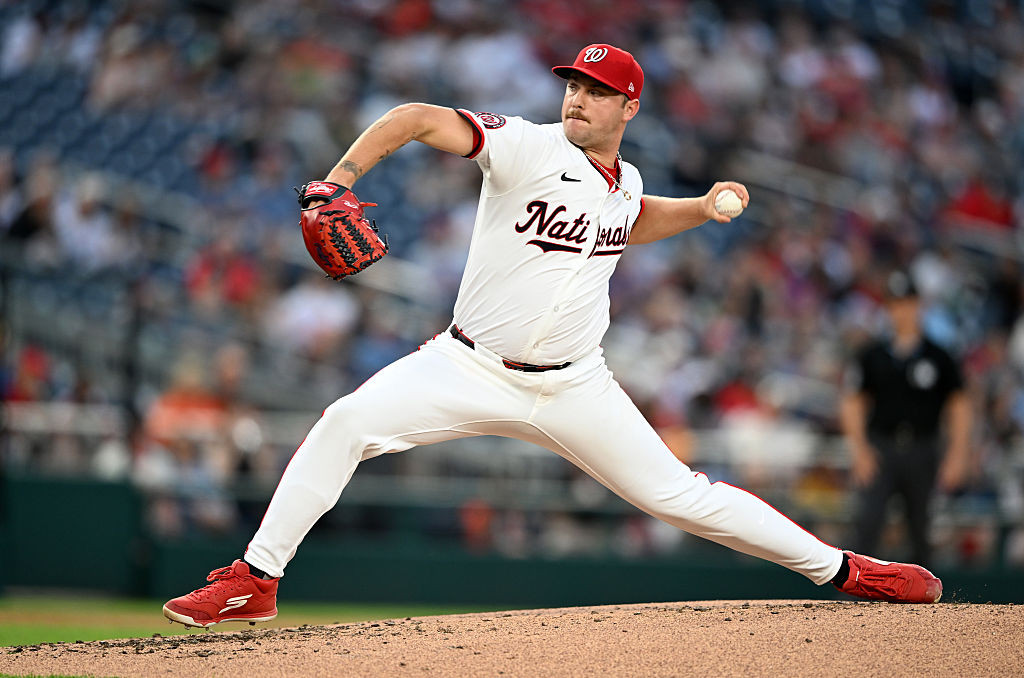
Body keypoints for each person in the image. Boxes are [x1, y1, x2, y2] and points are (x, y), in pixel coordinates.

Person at [163, 44, 942, 629]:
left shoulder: (626, 180)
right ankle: (254, 579)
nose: (578, 98)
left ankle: (846, 571)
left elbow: (630, 220)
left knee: (685, 498)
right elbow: (413, 119)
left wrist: (700, 208)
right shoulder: (529, 146)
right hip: (468, 365)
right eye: (574, 84)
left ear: (628, 107)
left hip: (576, 384)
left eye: (598, 91)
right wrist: (337, 181)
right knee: (344, 423)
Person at [840, 271, 972, 568]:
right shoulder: (871, 355)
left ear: (918, 306)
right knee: (867, 524)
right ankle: (855, 599)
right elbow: (852, 403)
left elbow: (960, 406)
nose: (902, 311)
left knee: (921, 529)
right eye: (895, 304)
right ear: (888, 309)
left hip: (923, 450)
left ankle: (924, 603)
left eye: (907, 303)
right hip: (881, 449)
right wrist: (859, 449)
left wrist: (958, 454)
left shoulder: (939, 357)